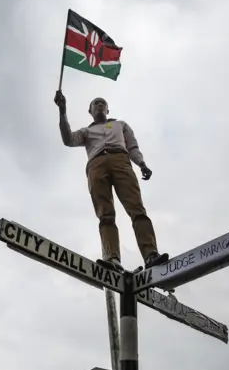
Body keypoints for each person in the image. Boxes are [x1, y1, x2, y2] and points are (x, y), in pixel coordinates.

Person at [54, 90, 169, 271]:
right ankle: (111, 258)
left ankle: (150, 254)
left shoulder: (120, 125)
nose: (100, 105)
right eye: (96, 103)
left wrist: (142, 164)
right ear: (90, 110)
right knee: (105, 214)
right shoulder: (87, 131)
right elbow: (68, 139)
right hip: (96, 165)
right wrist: (62, 111)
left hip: (120, 161)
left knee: (136, 208)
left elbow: (132, 147)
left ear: (107, 110)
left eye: (103, 103)